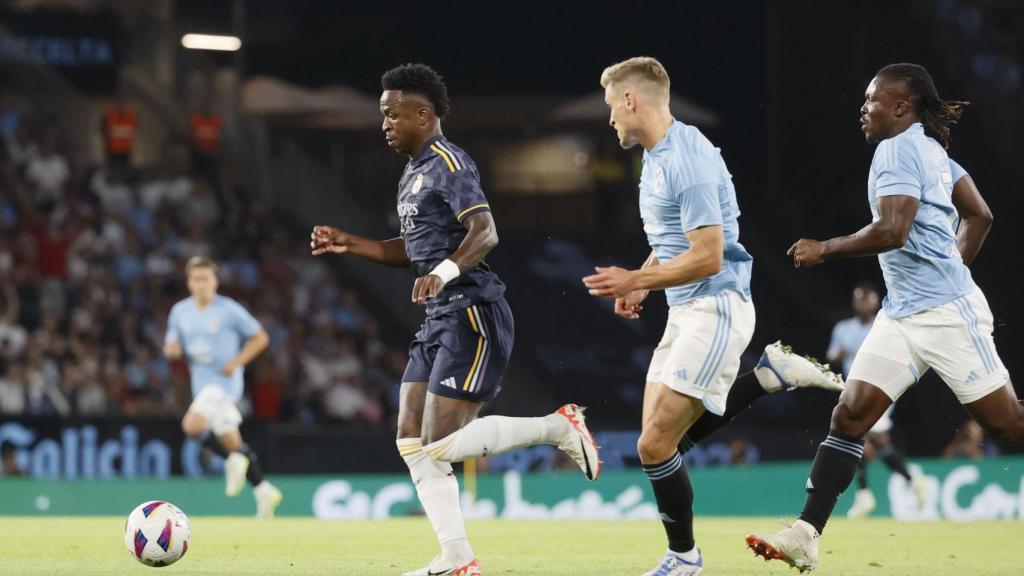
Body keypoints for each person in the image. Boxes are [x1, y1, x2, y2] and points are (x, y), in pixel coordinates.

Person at [310, 63, 600, 576]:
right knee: (410, 439)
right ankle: (457, 557)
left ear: (423, 114)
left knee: (440, 442)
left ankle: (558, 427)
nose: (384, 124)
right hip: (441, 314)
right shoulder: (413, 170)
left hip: (472, 311)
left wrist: (443, 273)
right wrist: (351, 243)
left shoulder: (449, 160)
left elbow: (485, 232)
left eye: (391, 114)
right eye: (383, 115)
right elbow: (416, 249)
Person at [747, 63, 1023, 573]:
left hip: (945, 314)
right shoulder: (934, 151)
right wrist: (952, 262)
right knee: (850, 416)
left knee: (1008, 427)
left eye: (872, 99)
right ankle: (807, 535)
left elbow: (894, 230)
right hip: (901, 315)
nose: (864, 107)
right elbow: (980, 214)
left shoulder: (896, 149)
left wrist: (825, 247)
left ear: (901, 107)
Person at [583, 56, 844, 576]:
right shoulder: (657, 157)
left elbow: (709, 255)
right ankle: (767, 376)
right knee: (659, 447)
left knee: (656, 444)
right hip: (686, 307)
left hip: (716, 305)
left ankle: (684, 558)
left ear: (631, 100)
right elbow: (675, 239)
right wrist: (643, 275)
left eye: (612, 104)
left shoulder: (689, 158)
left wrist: (635, 281)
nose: (610, 116)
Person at [163, 257, 282, 518]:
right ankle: (264, 490)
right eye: (197, 279)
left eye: (206, 278)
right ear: (189, 283)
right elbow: (171, 343)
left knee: (191, 426)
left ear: (215, 282)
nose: (202, 284)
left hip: (224, 385)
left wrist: (237, 362)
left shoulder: (228, 310)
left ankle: (230, 460)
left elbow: (261, 337)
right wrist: (172, 350)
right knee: (234, 443)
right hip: (202, 387)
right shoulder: (180, 312)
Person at [828, 283, 927, 518]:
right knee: (878, 444)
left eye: (868, 299)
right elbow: (831, 355)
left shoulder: (882, 327)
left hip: (880, 388)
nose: (863, 303)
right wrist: (837, 355)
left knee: (856, 434)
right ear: (854, 303)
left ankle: (865, 495)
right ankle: (912, 480)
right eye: (859, 299)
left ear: (875, 302)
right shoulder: (843, 328)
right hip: (851, 389)